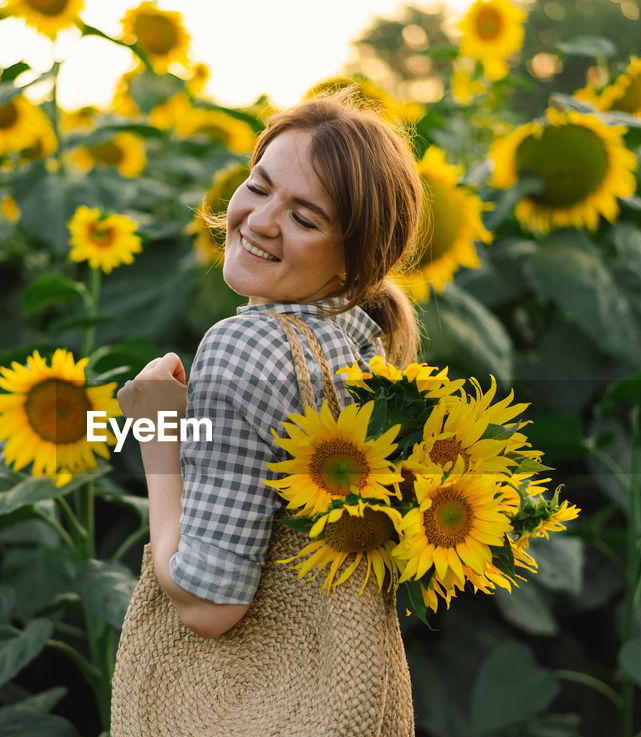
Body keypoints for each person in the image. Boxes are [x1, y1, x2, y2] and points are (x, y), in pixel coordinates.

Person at [117, 92, 424, 640]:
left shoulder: (246, 346)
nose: (259, 220)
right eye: (258, 186)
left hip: (243, 717)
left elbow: (206, 603)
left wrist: (156, 433)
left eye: (304, 218)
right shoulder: (362, 345)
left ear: (356, 258)